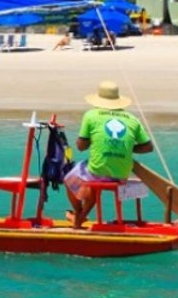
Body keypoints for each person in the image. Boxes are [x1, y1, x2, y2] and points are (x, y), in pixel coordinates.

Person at [64, 81, 155, 229]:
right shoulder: (132, 119)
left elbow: (81, 147)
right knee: (93, 175)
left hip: (97, 171)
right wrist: (125, 149)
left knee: (69, 178)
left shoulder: (91, 115)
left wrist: (94, 141)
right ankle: (79, 218)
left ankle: (79, 215)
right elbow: (148, 147)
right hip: (122, 173)